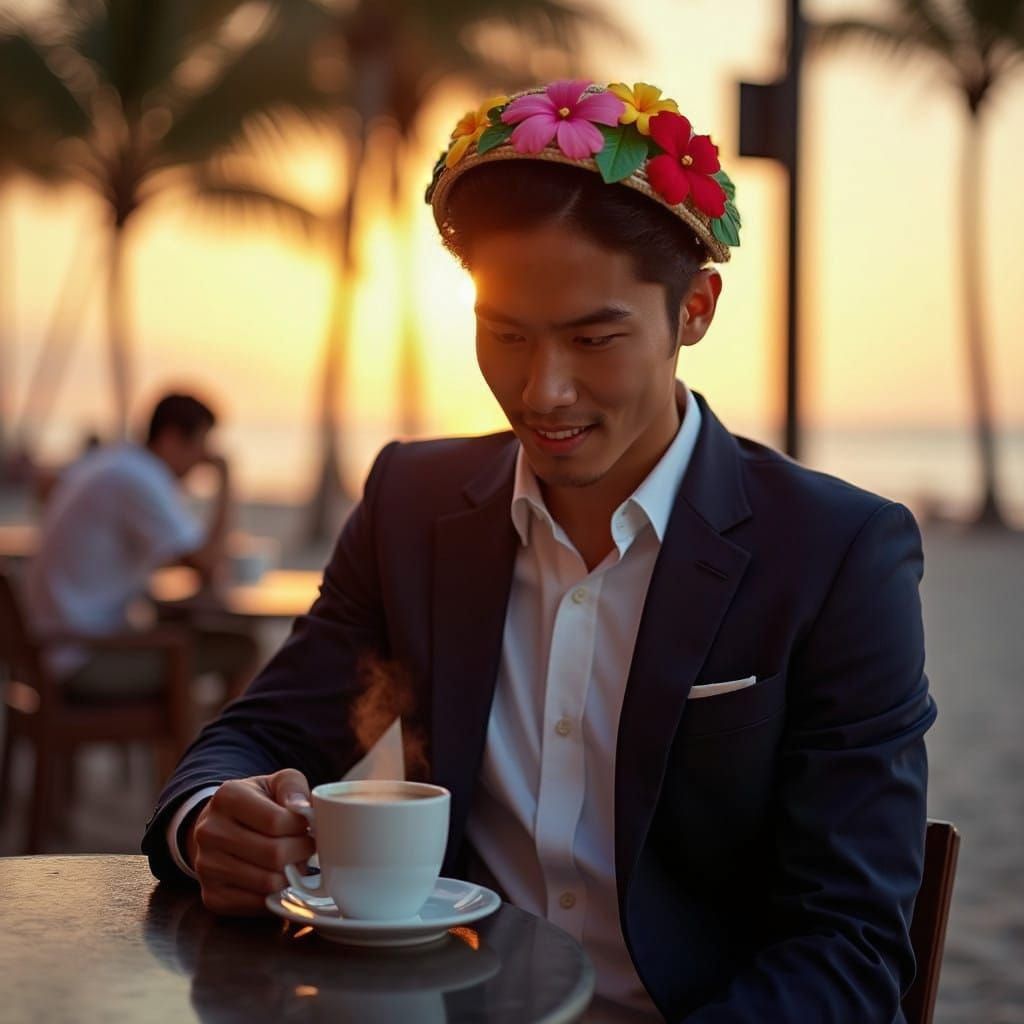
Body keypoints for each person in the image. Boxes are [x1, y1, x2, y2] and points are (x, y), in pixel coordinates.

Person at [142, 80, 936, 1022]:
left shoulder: (837, 552)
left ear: (696, 309)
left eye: (594, 338)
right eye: (504, 335)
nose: (543, 391)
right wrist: (212, 827)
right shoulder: (413, 505)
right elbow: (261, 736)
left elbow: (848, 946)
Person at [26, 392, 259, 702]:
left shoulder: (114, 463)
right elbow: (207, 562)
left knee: (184, 636)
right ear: (171, 438)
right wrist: (227, 481)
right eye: (199, 446)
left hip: (53, 648)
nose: (201, 462)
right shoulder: (138, 478)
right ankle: (220, 749)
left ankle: (194, 744)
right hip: (81, 659)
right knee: (242, 649)